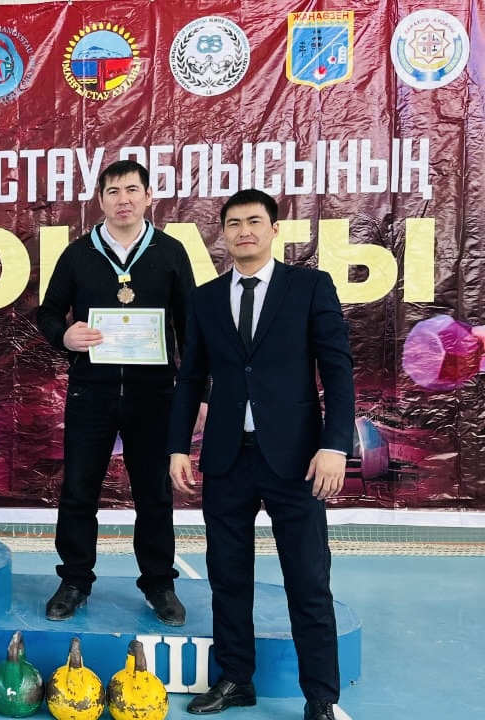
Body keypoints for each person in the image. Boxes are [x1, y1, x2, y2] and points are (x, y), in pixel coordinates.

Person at [167, 189, 353, 720]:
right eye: (233, 223)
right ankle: (235, 679)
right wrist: (177, 446)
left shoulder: (310, 287)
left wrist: (335, 445)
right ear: (223, 233)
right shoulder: (206, 298)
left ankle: (320, 696)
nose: (243, 231)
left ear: (274, 229)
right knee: (228, 577)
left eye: (254, 221)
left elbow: (337, 370)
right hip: (227, 458)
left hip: (297, 459)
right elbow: (190, 378)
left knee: (308, 581)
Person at [36, 159, 194, 625]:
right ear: (100, 200)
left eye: (132, 190)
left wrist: (197, 393)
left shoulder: (170, 252)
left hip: (155, 395)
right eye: (113, 191)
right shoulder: (79, 254)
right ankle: (74, 581)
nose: (123, 199)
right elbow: (48, 312)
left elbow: (190, 327)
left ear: (148, 196)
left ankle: (159, 584)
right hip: (92, 391)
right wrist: (63, 336)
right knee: (79, 490)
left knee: (154, 493)